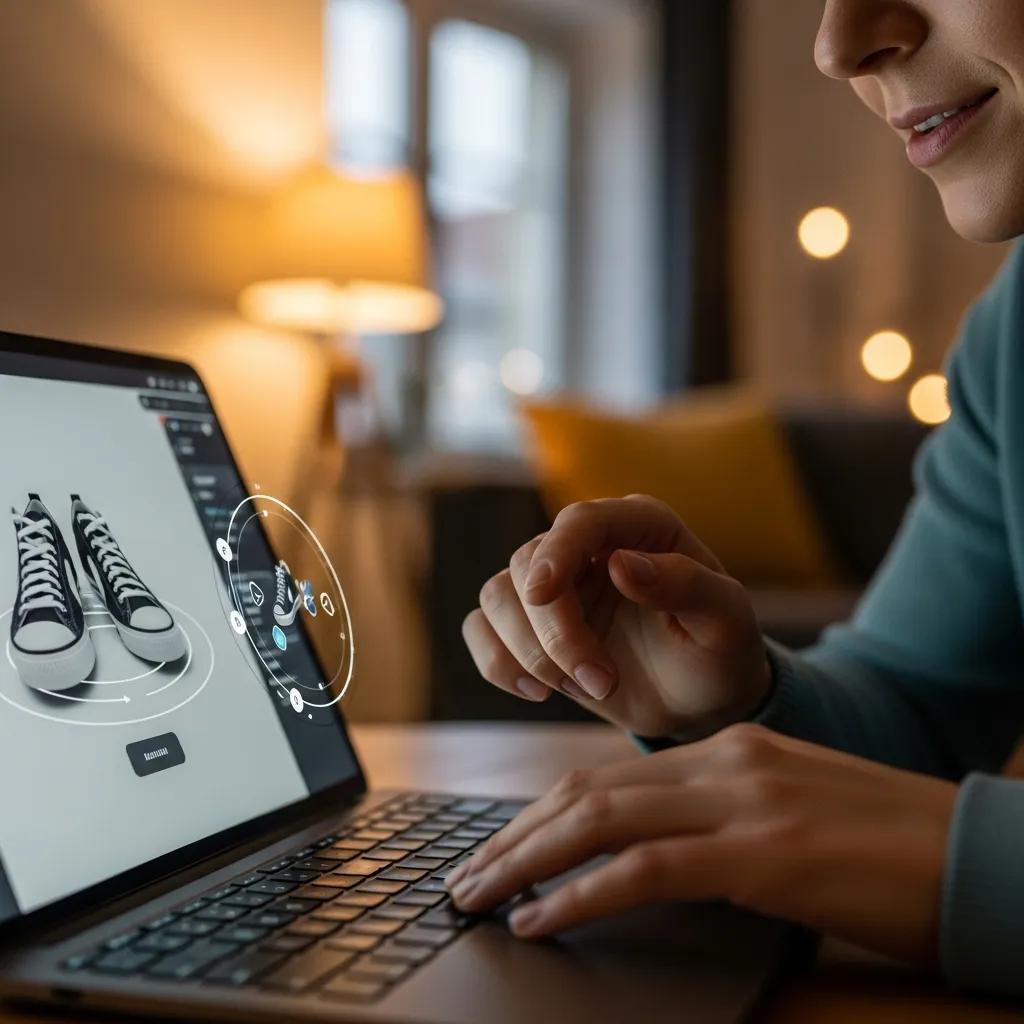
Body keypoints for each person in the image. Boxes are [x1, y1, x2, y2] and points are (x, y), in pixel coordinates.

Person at [448, 0, 1024, 1000]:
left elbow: (928, 824)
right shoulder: (1006, 343)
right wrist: (734, 700)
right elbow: (917, 717)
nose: (838, 46)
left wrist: (964, 869)